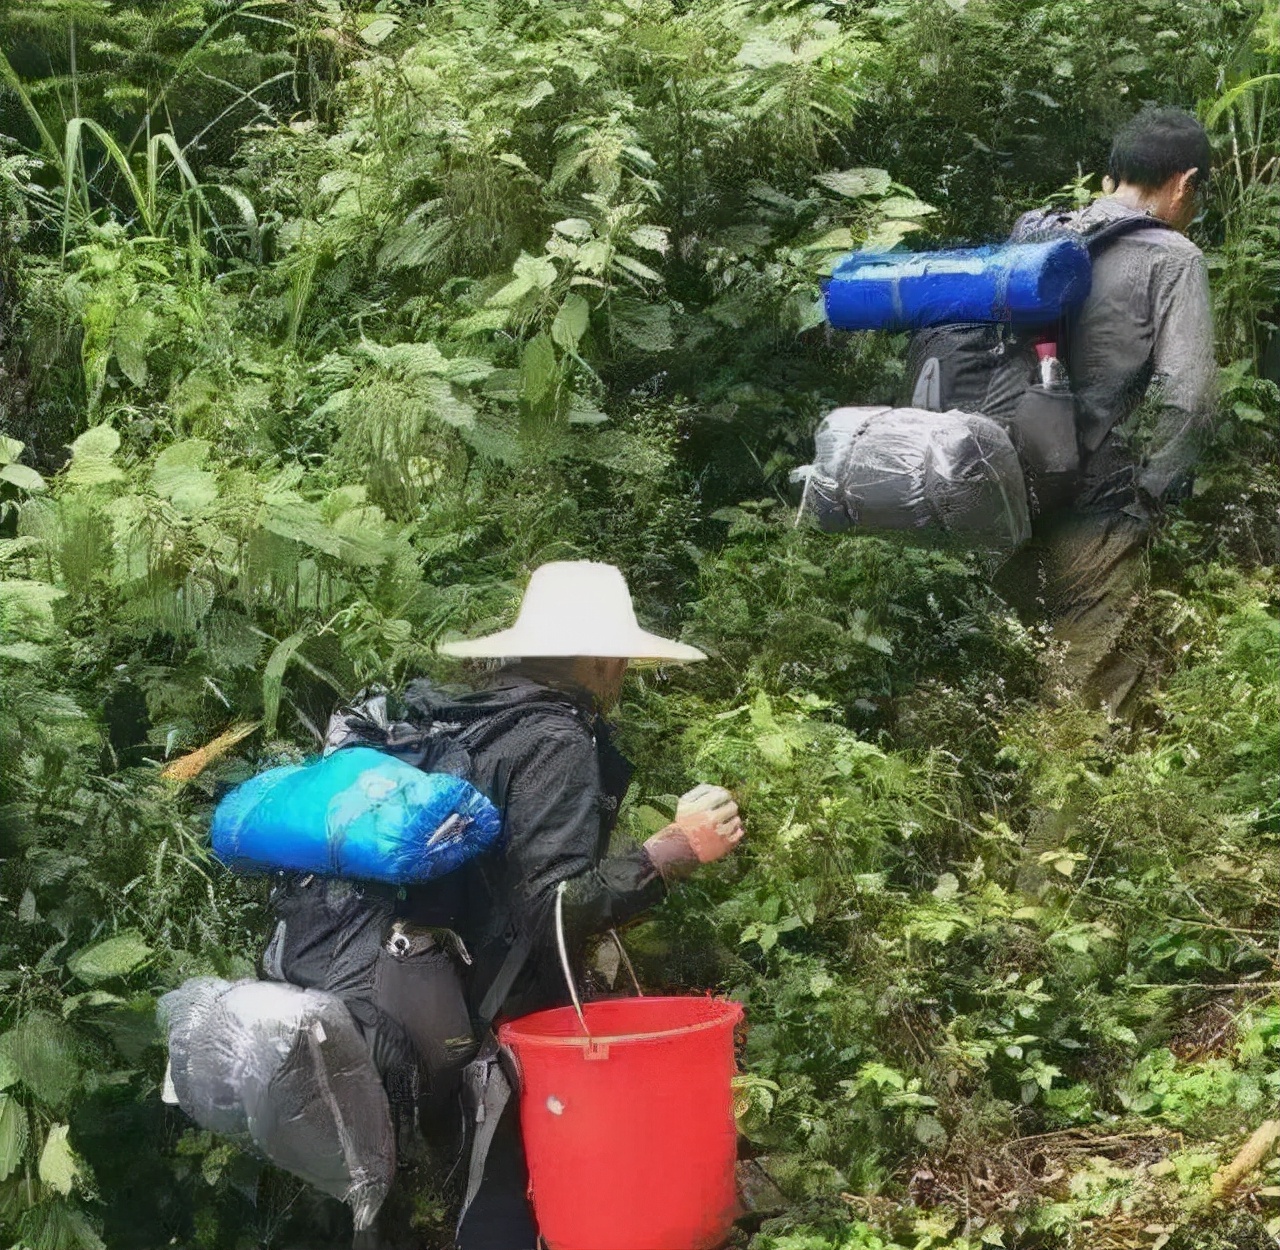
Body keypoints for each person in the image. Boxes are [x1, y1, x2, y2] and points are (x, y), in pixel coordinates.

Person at [330, 560, 746, 1250]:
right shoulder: (554, 740)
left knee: (475, 1191)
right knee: (510, 1201)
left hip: (413, 994)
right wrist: (674, 850)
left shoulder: (470, 717)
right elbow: (554, 908)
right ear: (604, 659)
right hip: (493, 1018)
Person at [998, 106, 1217, 715]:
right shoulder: (1173, 258)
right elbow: (1189, 396)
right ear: (1185, 183)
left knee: (1012, 687)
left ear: (1109, 177)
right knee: (1087, 703)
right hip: (1093, 505)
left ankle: (991, 804)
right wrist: (1149, 493)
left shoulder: (1035, 233)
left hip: (997, 491)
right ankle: (1062, 812)